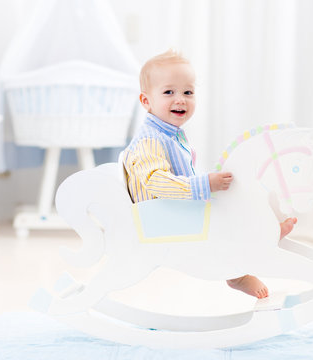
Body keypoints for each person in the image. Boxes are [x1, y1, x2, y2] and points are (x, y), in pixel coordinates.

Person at [122, 49, 297, 299]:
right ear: (146, 101)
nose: (180, 99)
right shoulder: (150, 140)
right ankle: (239, 272)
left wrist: (206, 183)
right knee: (223, 215)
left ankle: (261, 235)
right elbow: (154, 182)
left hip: (175, 210)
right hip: (160, 217)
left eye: (188, 92)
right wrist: (202, 185)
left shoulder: (170, 134)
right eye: (169, 92)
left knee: (235, 197)